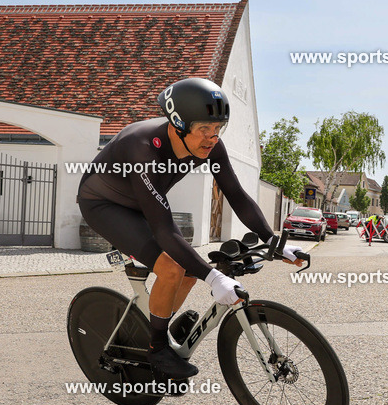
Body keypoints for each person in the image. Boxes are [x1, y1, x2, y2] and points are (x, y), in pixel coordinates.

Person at [76, 77, 305, 379]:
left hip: (139, 204)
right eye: (203, 129)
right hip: (104, 205)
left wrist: (274, 242)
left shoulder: (211, 147)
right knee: (172, 268)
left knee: (189, 271)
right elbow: (163, 229)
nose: (212, 138)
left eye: (217, 129)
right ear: (178, 126)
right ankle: (158, 349)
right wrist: (215, 279)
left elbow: (236, 196)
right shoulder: (144, 149)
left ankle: (159, 324)